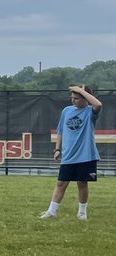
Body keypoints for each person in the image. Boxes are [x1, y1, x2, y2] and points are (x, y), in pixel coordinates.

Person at [41, 85, 103, 220]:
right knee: (61, 183)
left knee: (82, 183)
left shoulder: (90, 112)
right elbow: (60, 131)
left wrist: (82, 91)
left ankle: (82, 213)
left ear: (85, 99)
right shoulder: (67, 111)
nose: (73, 101)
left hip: (86, 155)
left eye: (77, 98)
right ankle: (51, 212)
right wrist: (57, 149)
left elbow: (98, 104)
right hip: (69, 155)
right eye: (72, 98)